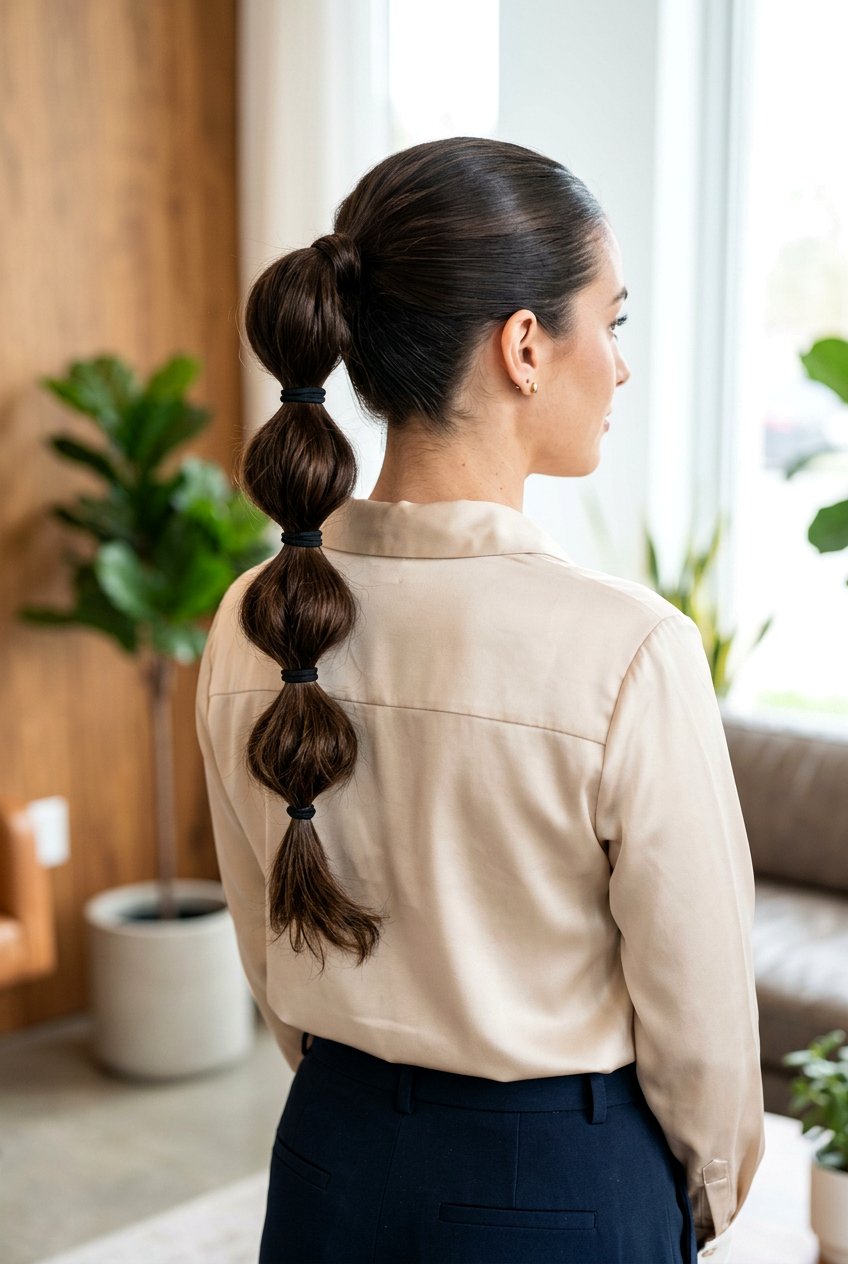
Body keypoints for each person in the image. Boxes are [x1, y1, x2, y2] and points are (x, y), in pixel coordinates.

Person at [194, 136, 765, 1264]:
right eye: (611, 322)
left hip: (327, 1162)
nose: (621, 363)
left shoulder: (252, 616)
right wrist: (694, 1192)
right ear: (522, 347)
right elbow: (696, 1010)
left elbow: (270, 945)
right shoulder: (628, 649)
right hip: (556, 1183)